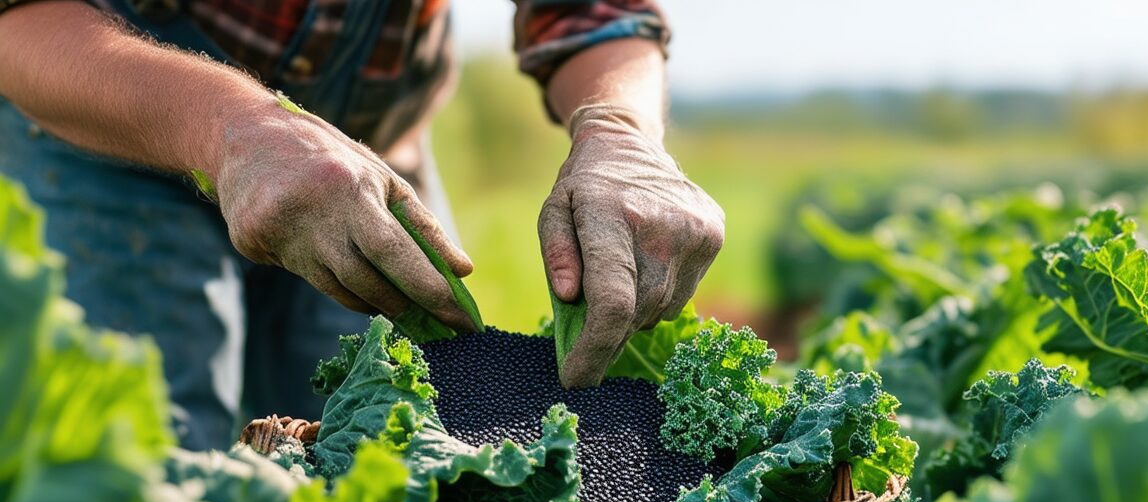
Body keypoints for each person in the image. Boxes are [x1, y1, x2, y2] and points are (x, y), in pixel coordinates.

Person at [0, 0, 724, 450]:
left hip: (371, 159)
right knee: (148, 469)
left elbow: (590, 11)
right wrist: (234, 130)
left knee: (386, 459)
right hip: (109, 127)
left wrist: (620, 128)